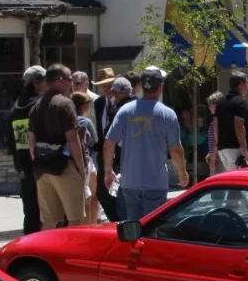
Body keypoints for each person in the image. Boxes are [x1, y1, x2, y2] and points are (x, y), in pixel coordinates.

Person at [104, 66, 186, 221]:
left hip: (130, 181)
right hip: (155, 181)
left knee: (133, 226)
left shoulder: (125, 111)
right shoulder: (167, 114)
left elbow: (109, 143)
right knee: (152, 226)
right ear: (161, 86)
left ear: (140, 86)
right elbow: (175, 149)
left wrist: (108, 171)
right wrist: (182, 172)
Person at [27, 64, 87, 229]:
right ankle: (71, 252)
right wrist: (81, 168)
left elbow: (31, 142)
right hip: (64, 166)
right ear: (60, 80)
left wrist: (37, 163)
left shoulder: (36, 106)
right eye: (69, 79)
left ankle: (47, 252)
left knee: (49, 220)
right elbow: (73, 139)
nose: (70, 83)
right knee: (75, 219)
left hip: (42, 168)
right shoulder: (65, 104)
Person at [9, 66, 50, 234]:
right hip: (43, 167)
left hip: (24, 167)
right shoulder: (39, 105)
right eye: (46, 80)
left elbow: (11, 142)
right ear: (36, 83)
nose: (48, 83)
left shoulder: (15, 107)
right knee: (49, 214)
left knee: (31, 214)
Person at [95, 77, 130, 221]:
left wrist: (109, 170)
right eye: (103, 85)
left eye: (110, 86)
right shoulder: (98, 103)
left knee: (118, 195)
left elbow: (110, 140)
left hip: (120, 157)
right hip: (107, 155)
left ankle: (119, 223)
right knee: (104, 194)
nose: (108, 89)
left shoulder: (124, 109)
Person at [73, 91, 102, 224]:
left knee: (86, 197)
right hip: (87, 161)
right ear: (83, 105)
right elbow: (96, 140)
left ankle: (89, 224)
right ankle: (92, 224)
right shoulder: (85, 121)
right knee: (93, 196)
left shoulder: (67, 120)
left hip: (75, 162)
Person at [217, 72, 248, 172]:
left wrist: (217, 145)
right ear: (241, 84)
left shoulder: (220, 102)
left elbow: (216, 125)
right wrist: (244, 147)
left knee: (229, 177)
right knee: (238, 179)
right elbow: (239, 125)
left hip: (222, 148)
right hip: (235, 149)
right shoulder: (240, 102)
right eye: (247, 83)